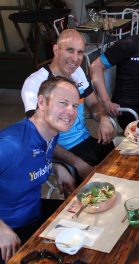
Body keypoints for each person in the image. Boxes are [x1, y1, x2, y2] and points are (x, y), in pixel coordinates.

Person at [21, 29, 115, 194]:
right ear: (56, 50)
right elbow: (39, 137)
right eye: (69, 50)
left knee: (122, 168)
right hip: (61, 152)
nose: (75, 58)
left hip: (86, 142)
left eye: (80, 52)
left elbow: (94, 104)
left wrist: (104, 118)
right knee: (95, 196)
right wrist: (76, 163)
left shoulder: (77, 72)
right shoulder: (35, 83)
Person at [0, 77, 79, 264]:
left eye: (75, 106)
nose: (71, 111)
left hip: (34, 216)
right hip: (10, 234)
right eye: (63, 103)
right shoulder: (10, 145)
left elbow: (29, 162)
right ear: (41, 102)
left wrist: (56, 167)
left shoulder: (51, 134)